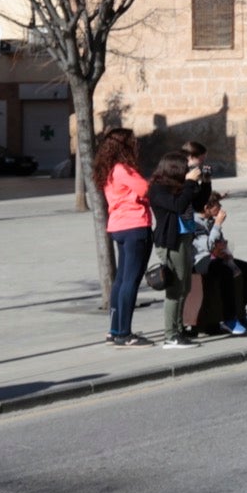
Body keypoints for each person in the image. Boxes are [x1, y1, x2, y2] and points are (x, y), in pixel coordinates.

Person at [93, 127, 155, 347]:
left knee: (121, 279)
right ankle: (124, 333)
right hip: (135, 226)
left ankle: (115, 329)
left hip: (119, 226)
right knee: (130, 280)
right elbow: (145, 189)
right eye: (133, 142)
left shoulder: (109, 169)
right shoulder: (123, 169)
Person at [147, 150, 207, 348]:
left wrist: (205, 182)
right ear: (174, 169)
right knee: (175, 289)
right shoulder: (158, 188)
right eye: (185, 168)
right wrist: (189, 183)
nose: (187, 171)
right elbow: (179, 205)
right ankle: (170, 335)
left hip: (186, 238)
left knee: (185, 287)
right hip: (171, 242)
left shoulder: (179, 186)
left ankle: (179, 330)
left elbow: (199, 203)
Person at [190, 191, 247, 336]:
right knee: (225, 272)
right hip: (200, 260)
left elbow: (218, 242)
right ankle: (229, 319)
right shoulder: (195, 223)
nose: (220, 208)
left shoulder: (210, 220)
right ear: (206, 207)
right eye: (217, 205)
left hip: (215, 257)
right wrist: (218, 224)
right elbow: (207, 245)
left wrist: (224, 250)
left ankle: (240, 311)